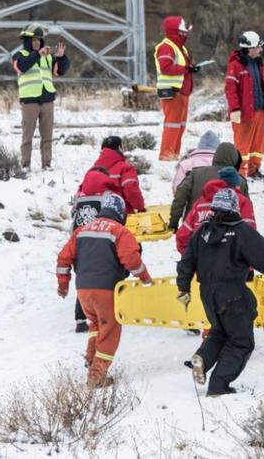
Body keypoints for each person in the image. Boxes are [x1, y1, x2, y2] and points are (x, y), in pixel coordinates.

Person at [176, 188, 264, 398]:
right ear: (235, 208)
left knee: (219, 331)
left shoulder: (202, 232)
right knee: (241, 341)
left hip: (207, 294)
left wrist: (183, 287)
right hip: (232, 292)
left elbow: (186, 262)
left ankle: (202, 358)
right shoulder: (241, 232)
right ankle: (219, 385)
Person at [56, 193, 152, 387]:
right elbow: (131, 259)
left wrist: (63, 285)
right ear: (121, 213)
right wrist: (145, 277)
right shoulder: (119, 231)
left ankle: (91, 359)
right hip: (106, 290)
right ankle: (97, 377)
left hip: (83, 291)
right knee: (110, 329)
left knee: (95, 324)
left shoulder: (81, 231)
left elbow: (63, 259)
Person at [13, 23, 69, 170]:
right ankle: (25, 165)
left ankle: (47, 164)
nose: (37, 42)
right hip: (30, 101)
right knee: (27, 137)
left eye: (39, 40)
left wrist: (61, 58)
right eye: (34, 40)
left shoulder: (47, 57)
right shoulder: (19, 55)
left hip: (47, 100)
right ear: (27, 41)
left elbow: (60, 71)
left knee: (47, 137)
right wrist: (38, 54)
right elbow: (22, 66)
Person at [70, 166, 117, 333]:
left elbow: (73, 215)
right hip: (99, 240)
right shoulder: (108, 195)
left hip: (78, 240)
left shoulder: (79, 195)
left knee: (83, 277)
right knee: (101, 277)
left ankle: (80, 319)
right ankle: (102, 314)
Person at [225, 31, 264, 180]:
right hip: (244, 113)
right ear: (250, 48)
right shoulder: (235, 66)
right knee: (242, 145)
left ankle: (253, 170)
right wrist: (235, 109)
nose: (261, 50)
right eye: (258, 47)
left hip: (259, 111)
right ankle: (240, 173)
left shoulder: (259, 64)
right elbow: (230, 90)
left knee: (258, 145)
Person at [175, 167, 257, 255]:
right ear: (236, 184)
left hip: (202, 257)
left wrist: (189, 256)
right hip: (231, 259)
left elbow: (183, 235)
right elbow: (249, 234)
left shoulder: (200, 203)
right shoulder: (242, 201)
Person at [169, 142, 249, 231]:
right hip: (228, 233)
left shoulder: (196, 174)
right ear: (235, 159)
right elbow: (247, 212)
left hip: (194, 227)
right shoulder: (240, 182)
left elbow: (180, 197)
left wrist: (173, 223)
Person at [154, 16, 198, 161]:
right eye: (183, 31)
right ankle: (166, 156)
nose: (185, 34)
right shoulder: (167, 47)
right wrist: (186, 68)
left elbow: (181, 67)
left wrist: (190, 68)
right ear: (175, 32)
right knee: (172, 125)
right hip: (172, 92)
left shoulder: (180, 48)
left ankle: (173, 155)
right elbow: (165, 67)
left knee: (179, 126)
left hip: (182, 93)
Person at [86, 136, 146, 214]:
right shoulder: (125, 167)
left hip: (94, 215)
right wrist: (140, 207)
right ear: (119, 148)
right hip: (120, 215)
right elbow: (130, 189)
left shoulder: (92, 171)